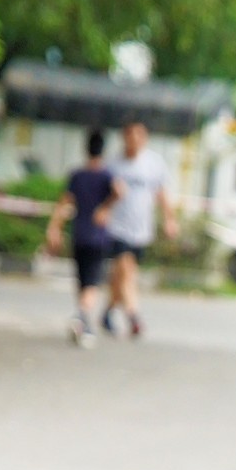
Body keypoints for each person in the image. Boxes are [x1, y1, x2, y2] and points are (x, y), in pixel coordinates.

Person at [45, 129, 120, 346]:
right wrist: (105, 208)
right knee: (92, 282)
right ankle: (83, 318)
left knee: (82, 280)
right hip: (98, 237)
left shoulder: (77, 175)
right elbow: (120, 191)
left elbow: (63, 204)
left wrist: (54, 229)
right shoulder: (107, 175)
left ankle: (82, 318)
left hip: (79, 235)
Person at [103, 118, 176, 337]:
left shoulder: (153, 163)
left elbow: (162, 193)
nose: (134, 139)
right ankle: (133, 315)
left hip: (141, 228)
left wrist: (169, 219)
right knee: (126, 269)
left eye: (139, 135)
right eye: (130, 134)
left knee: (121, 275)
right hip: (117, 227)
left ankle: (108, 310)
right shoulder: (113, 165)